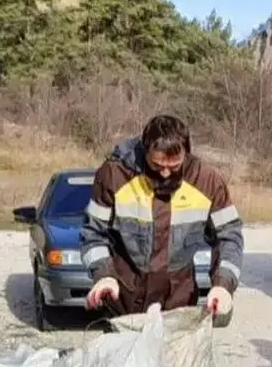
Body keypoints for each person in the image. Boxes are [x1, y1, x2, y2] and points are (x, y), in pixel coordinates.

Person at [80, 114, 244, 319]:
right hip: (123, 304)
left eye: (174, 166)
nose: (165, 173)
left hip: (179, 307)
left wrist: (223, 285)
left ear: (187, 152)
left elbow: (229, 236)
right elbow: (93, 234)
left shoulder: (208, 182)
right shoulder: (114, 176)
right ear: (144, 151)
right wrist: (103, 275)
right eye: (157, 165)